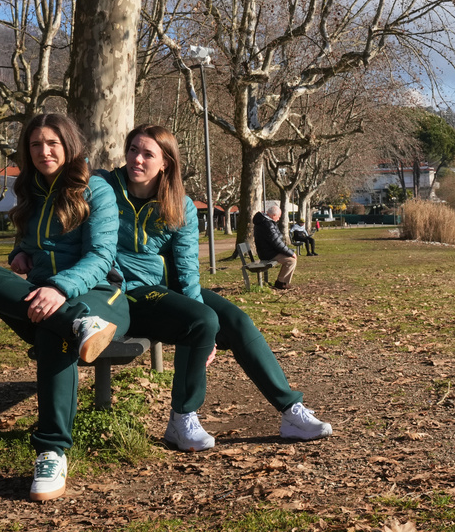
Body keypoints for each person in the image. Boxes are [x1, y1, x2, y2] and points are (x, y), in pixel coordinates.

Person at [96, 124, 331, 452]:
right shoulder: (105, 188)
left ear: (165, 162)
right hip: (129, 293)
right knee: (201, 320)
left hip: (170, 290)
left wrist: (198, 315)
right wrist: (199, 322)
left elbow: (187, 268)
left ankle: (290, 410)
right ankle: (182, 418)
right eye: (133, 149)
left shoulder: (180, 205)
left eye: (147, 153)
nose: (136, 158)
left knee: (237, 322)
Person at [0, 113, 128, 502]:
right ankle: (76, 324)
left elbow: (101, 255)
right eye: (36, 144)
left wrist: (59, 287)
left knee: (50, 333)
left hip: (100, 296)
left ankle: (52, 451)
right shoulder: (31, 190)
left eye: (52, 143)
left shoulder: (96, 189)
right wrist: (19, 254)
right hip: (51, 300)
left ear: (69, 145)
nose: (44, 151)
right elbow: (29, 239)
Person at [253, 204, 297, 290]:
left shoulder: (265, 222)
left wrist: (288, 251)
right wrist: (291, 253)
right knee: (291, 261)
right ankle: (281, 283)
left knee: (291, 259)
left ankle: (284, 282)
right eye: (278, 216)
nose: (279, 218)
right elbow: (276, 242)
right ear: (273, 215)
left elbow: (276, 240)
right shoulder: (267, 224)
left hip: (267, 251)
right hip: (268, 253)